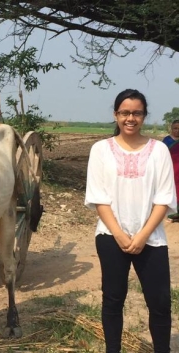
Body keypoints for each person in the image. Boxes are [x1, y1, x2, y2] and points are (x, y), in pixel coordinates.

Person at [85, 89, 176, 353]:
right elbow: (98, 198)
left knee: (159, 302)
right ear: (115, 115)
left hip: (152, 238)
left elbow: (164, 198)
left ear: (144, 116)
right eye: (125, 112)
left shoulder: (159, 150)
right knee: (113, 299)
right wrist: (121, 235)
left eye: (137, 113)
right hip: (111, 237)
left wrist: (142, 235)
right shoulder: (100, 150)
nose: (130, 118)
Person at [162, 119, 179, 222]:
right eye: (175, 128)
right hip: (170, 169)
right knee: (171, 189)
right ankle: (172, 213)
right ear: (171, 129)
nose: (177, 130)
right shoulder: (166, 140)